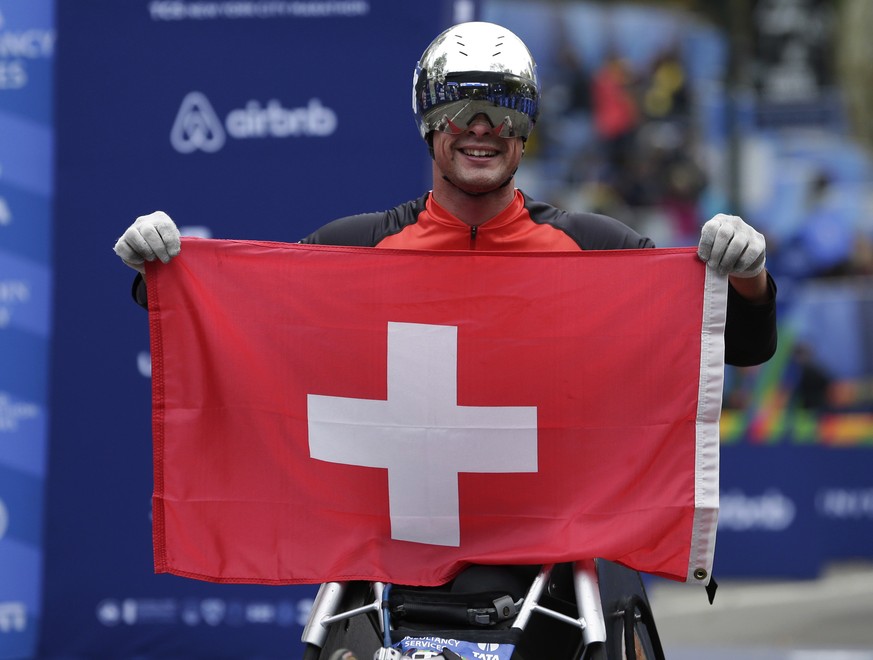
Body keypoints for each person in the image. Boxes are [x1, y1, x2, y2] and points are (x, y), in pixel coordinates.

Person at [113, 21, 777, 658]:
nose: (481, 126)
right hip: (385, 573)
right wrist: (162, 271)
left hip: (551, 573)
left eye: (505, 106)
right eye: (457, 104)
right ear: (426, 121)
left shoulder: (596, 251)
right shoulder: (354, 251)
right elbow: (231, 319)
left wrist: (746, 278)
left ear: (529, 127)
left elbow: (740, 346)